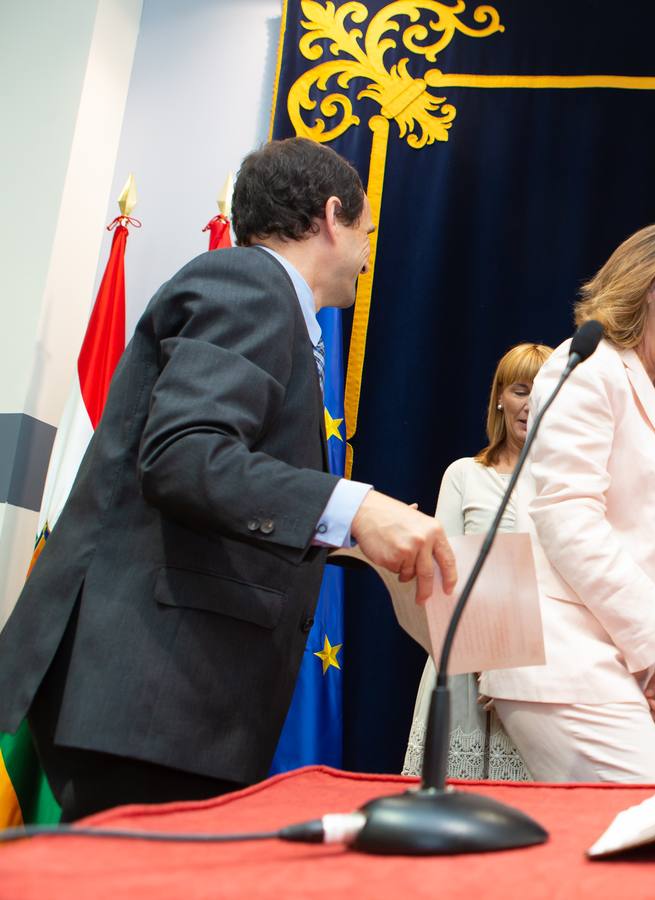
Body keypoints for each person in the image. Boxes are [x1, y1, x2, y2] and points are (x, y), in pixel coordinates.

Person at [0, 137, 456, 820]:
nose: (368, 252)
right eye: (368, 230)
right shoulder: (249, 284)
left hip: (158, 699)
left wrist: (354, 535)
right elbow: (186, 456)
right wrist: (354, 506)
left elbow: (227, 485)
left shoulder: (261, 297)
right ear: (334, 216)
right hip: (149, 692)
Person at [481, 221, 655, 783]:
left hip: (626, 662)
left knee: (632, 849)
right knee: (651, 836)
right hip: (564, 660)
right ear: (654, 286)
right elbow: (568, 522)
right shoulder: (587, 369)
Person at [402, 342, 551, 781]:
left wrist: (518, 668)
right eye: (521, 390)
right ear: (501, 399)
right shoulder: (464, 474)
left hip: (542, 669)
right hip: (466, 664)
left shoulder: (572, 482)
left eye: (545, 391)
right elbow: (442, 574)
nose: (531, 404)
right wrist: (489, 658)